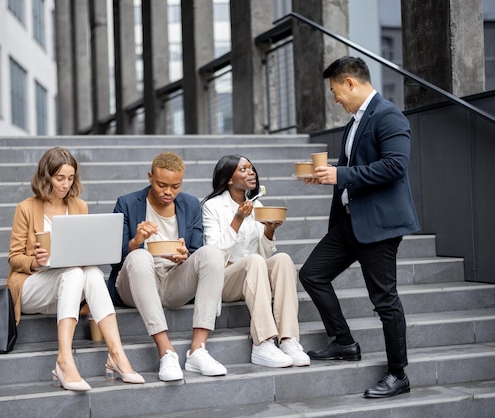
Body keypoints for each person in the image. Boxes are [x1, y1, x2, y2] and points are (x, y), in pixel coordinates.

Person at [298, 56, 420, 398]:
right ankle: (343, 342)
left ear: (350, 83)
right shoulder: (355, 121)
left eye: (335, 91)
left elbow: (395, 166)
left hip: (379, 225)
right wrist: (326, 176)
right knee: (312, 274)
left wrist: (342, 174)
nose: (334, 98)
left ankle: (398, 375)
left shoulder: (388, 115)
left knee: (385, 301)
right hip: (350, 223)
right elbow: (355, 165)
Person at [6, 147, 144, 392]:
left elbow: (84, 249)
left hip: (68, 286)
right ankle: (64, 359)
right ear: (45, 176)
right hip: (31, 286)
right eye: (60, 178)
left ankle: (116, 354)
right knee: (74, 273)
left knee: (89, 271)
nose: (65, 184)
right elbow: (14, 258)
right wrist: (35, 261)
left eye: (70, 178)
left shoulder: (79, 205)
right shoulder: (26, 208)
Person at [107, 151, 227, 382]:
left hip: (174, 279)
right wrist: (136, 241)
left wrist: (185, 255)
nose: (168, 192)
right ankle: (166, 351)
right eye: (162, 185)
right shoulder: (127, 203)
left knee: (211, 254)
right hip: (134, 283)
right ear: (150, 177)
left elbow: (195, 248)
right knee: (140, 257)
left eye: (175, 186)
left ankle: (198, 350)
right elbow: (115, 260)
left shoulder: (191, 205)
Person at [202, 155, 310, 368]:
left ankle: (288, 339)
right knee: (253, 261)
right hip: (225, 278)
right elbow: (213, 254)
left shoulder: (256, 204)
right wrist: (238, 219)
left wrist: (269, 230)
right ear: (230, 179)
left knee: (283, 260)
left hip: (255, 274)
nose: (251, 172)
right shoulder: (211, 206)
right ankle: (263, 342)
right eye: (243, 169)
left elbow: (264, 252)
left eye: (251, 168)